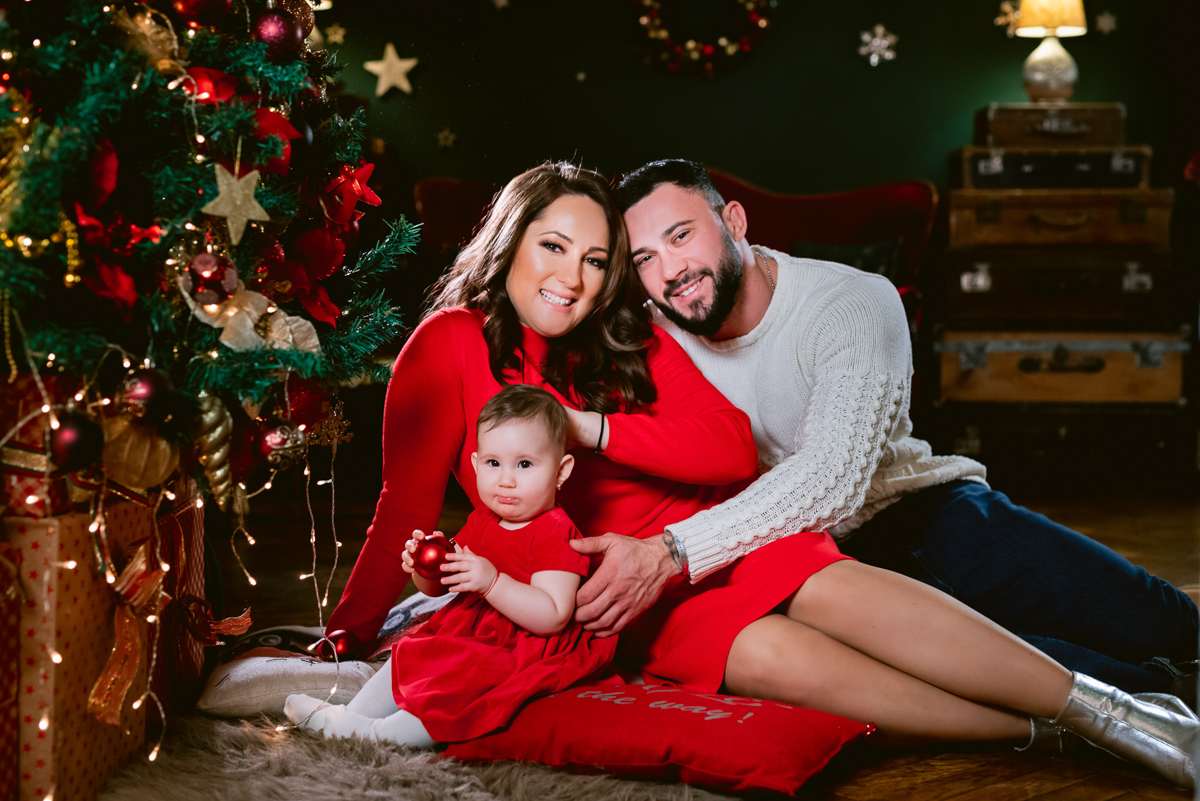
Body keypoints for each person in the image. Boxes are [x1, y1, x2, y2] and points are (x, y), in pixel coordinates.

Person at [322, 162, 1195, 787]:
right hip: (609, 589)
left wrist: (590, 429)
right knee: (778, 662)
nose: (573, 279)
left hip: (735, 526)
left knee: (845, 592)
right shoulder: (447, 345)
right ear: (510, 242)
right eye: (554, 247)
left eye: (594, 260)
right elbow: (403, 502)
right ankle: (1059, 734)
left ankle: (1121, 713)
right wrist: (343, 635)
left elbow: (732, 451)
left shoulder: (634, 332)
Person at [568, 159, 1199, 699]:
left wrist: (671, 551)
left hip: (923, 510)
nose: (671, 271)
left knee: (1163, 624)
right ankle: (1160, 702)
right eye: (645, 258)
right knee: (1078, 678)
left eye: (681, 236)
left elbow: (833, 480)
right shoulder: (649, 334)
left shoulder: (852, 302)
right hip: (811, 564)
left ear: (733, 221)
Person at [284, 384, 612, 745]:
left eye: (524, 464)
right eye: (493, 463)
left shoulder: (556, 533)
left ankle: (380, 735)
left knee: (458, 682)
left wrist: (492, 583)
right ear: (475, 464)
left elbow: (553, 616)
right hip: (468, 629)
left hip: (518, 645)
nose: (506, 480)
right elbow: (442, 585)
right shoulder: (483, 519)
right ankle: (352, 715)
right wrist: (424, 568)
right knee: (409, 654)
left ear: (561, 471)